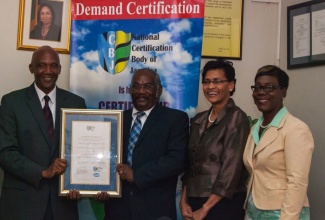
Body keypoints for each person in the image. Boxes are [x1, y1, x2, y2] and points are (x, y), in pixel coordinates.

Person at [0, 46, 86, 219]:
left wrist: (82, 183)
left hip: (63, 205)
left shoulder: (76, 103)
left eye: (54, 66)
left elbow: (82, 151)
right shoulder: (11, 102)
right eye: (41, 65)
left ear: (60, 69)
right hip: (22, 203)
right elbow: (5, 152)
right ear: (31, 67)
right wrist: (42, 172)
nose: (48, 71)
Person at [104, 68, 189, 220]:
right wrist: (100, 186)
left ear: (159, 90)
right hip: (117, 211)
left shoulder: (175, 119)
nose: (141, 91)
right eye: (136, 86)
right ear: (130, 90)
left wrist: (136, 175)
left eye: (148, 86)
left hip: (155, 212)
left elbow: (176, 160)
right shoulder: (116, 120)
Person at [180, 59, 250, 220]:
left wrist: (205, 208)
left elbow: (230, 171)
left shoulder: (237, 118)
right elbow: (190, 167)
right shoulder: (198, 119)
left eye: (217, 81)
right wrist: (184, 202)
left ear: (231, 85)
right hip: (194, 201)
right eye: (207, 82)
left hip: (223, 204)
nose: (211, 86)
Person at [243, 65, 314, 220]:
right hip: (253, 210)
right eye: (257, 87)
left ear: (283, 91)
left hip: (283, 213)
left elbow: (297, 183)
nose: (261, 92)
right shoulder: (255, 127)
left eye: (269, 87)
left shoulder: (296, 129)